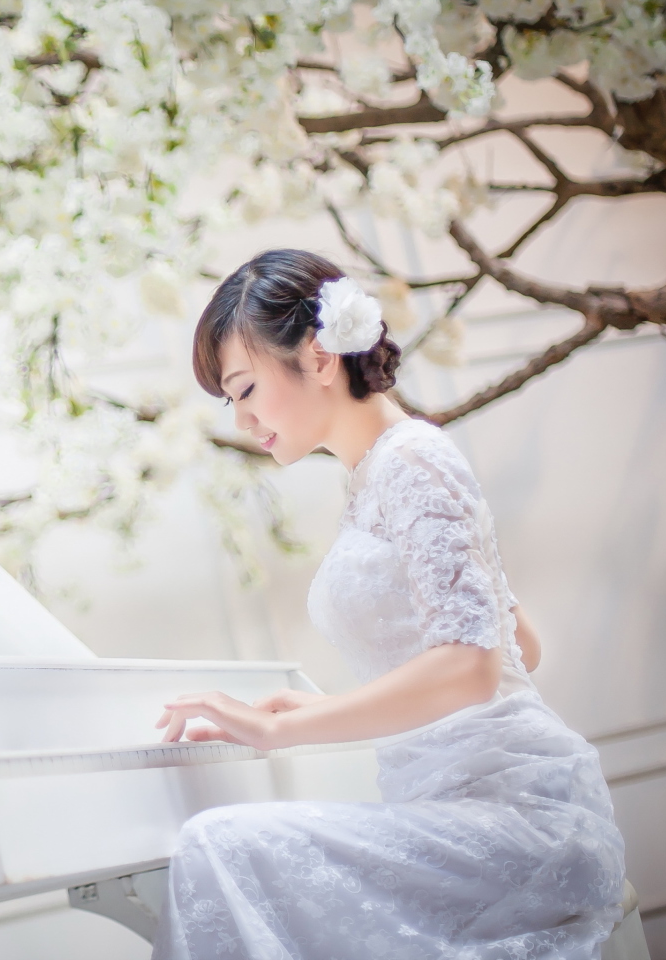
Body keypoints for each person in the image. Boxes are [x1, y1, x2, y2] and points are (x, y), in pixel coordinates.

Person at [150, 249, 627, 959]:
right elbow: (518, 645)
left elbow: (474, 667)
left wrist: (282, 732)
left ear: (317, 358)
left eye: (245, 388)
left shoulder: (411, 460)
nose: (243, 419)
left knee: (219, 842)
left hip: (516, 822)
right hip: (455, 809)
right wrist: (305, 708)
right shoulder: (380, 473)